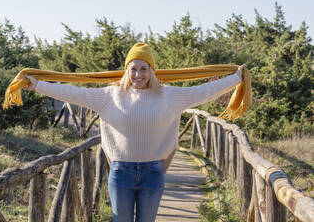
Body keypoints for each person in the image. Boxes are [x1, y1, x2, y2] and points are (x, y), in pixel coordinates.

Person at [23, 42, 245, 222]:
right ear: (127, 70)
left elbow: (205, 91)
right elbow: (71, 91)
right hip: (121, 173)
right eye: (134, 68)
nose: (138, 74)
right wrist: (36, 85)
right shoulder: (110, 95)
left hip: (153, 172)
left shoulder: (170, 95)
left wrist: (236, 79)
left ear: (151, 71)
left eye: (143, 69)